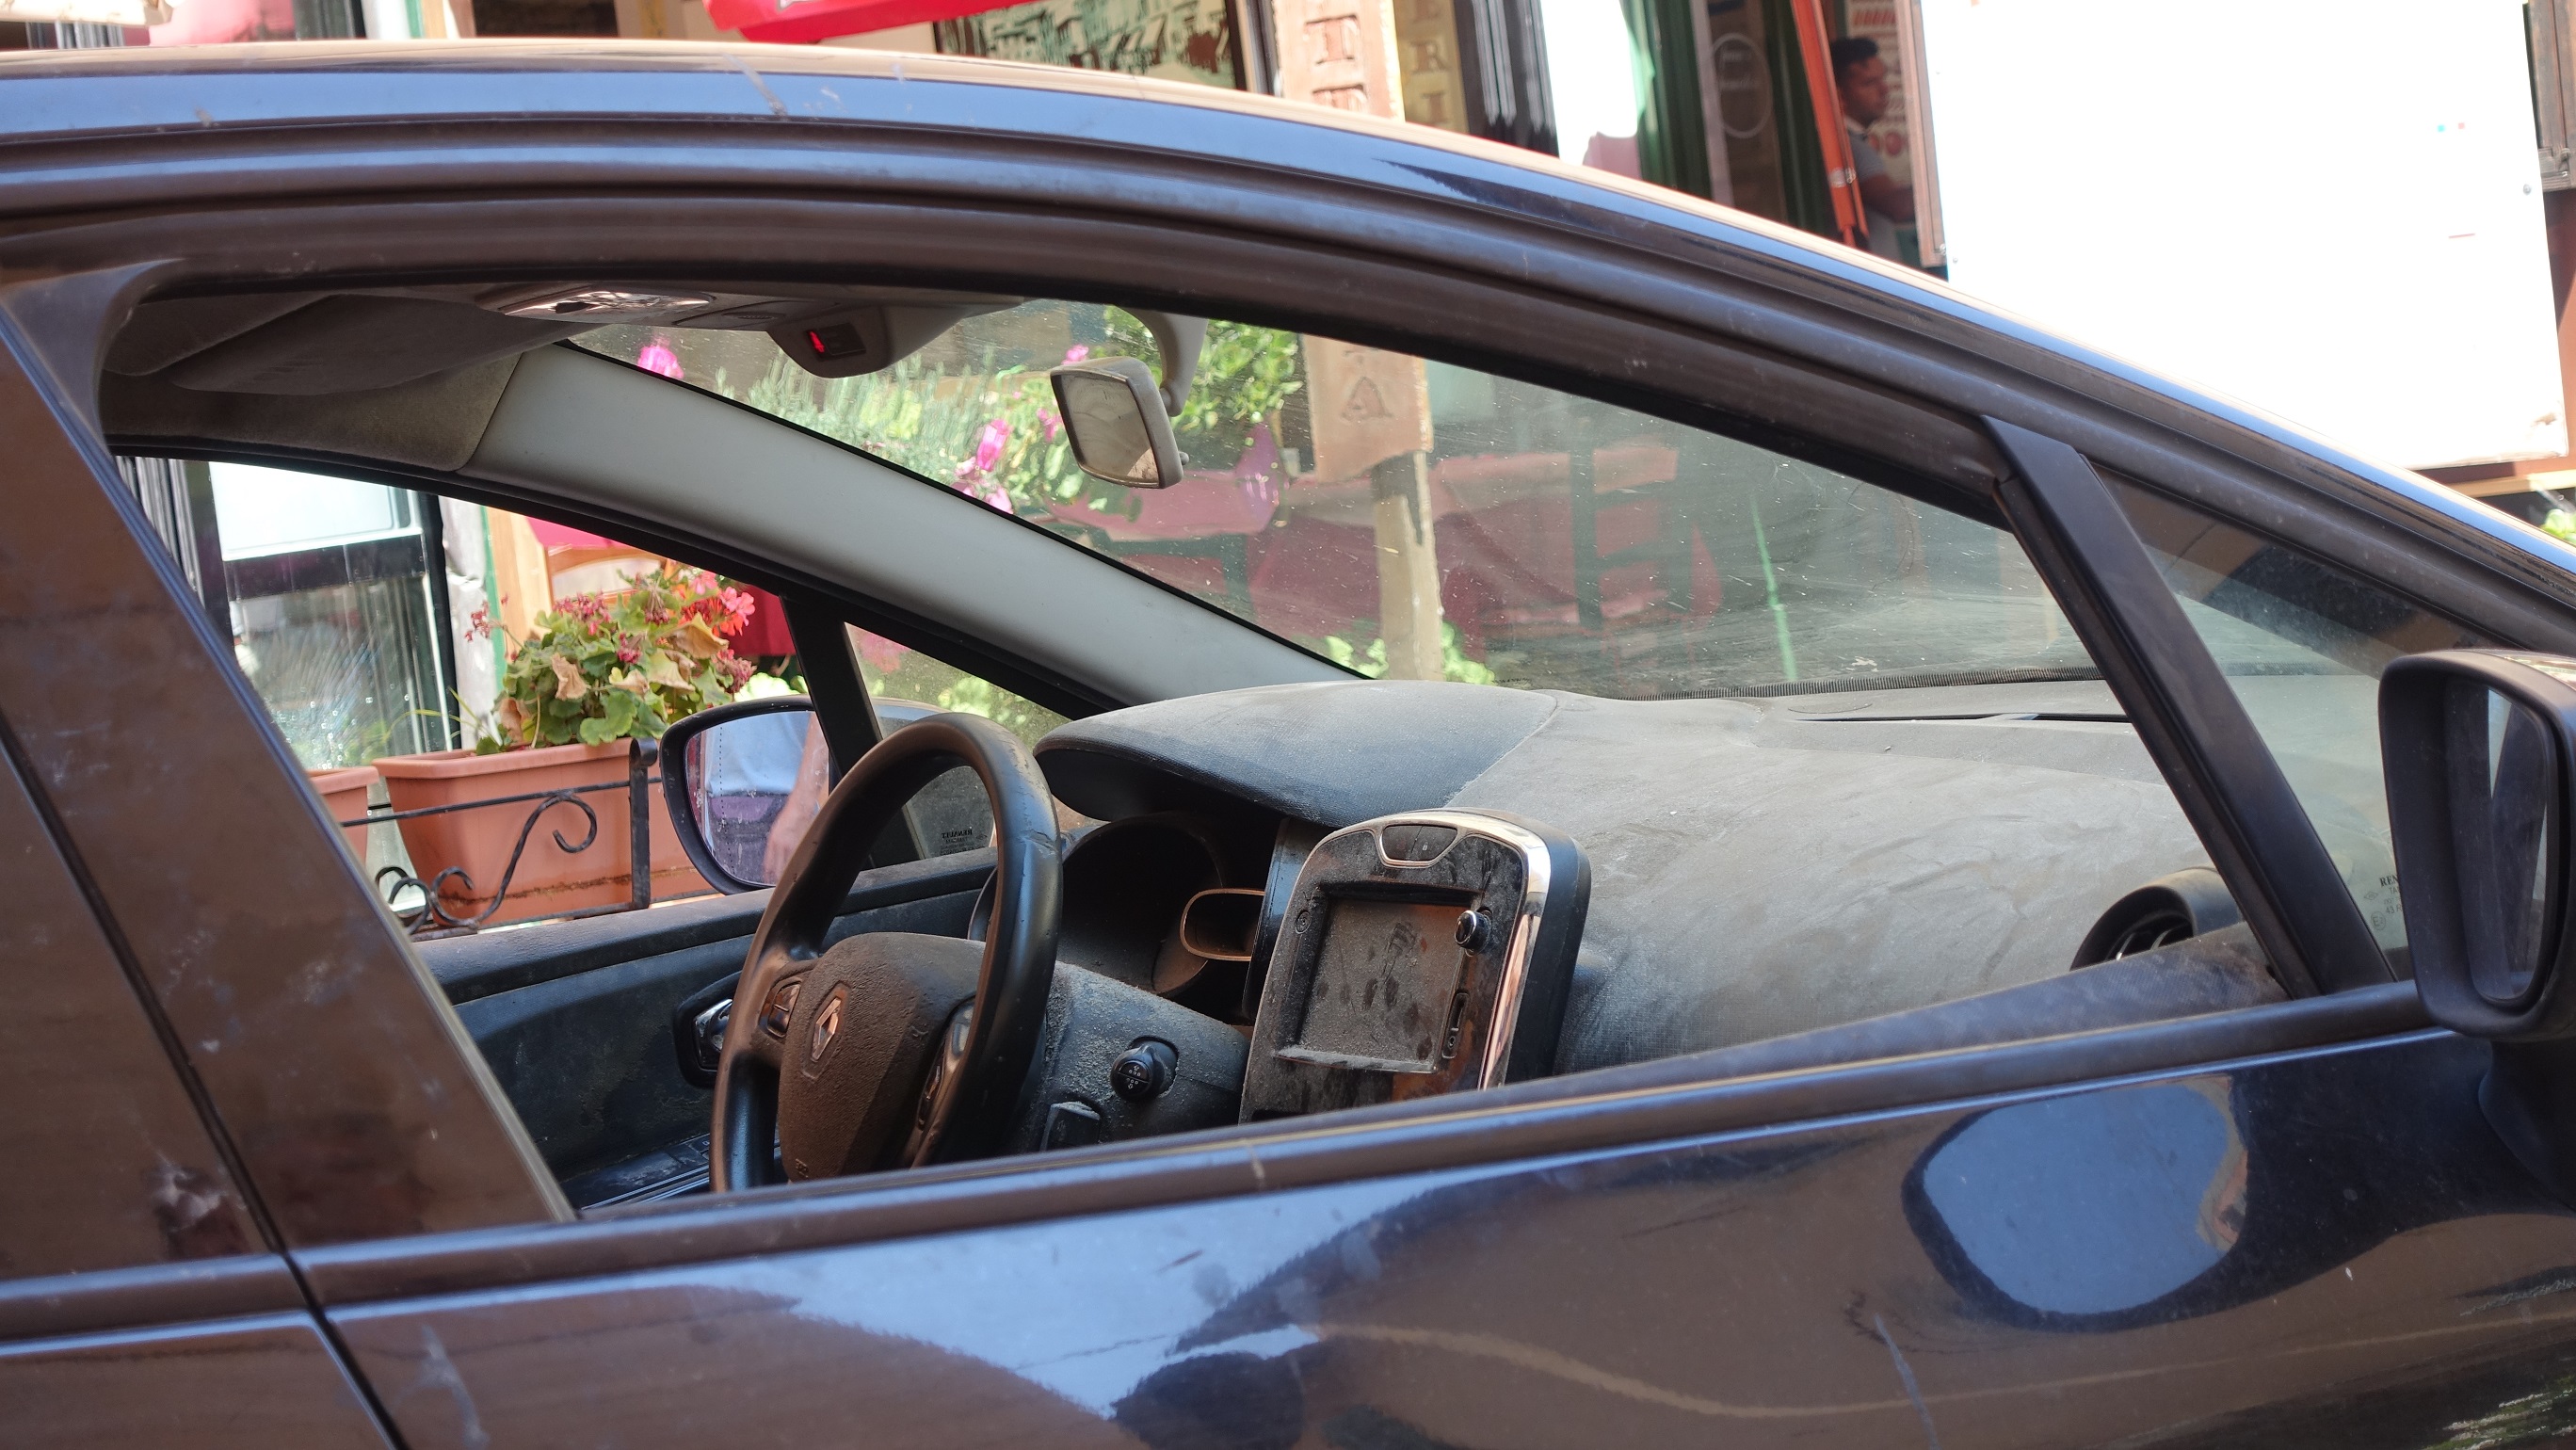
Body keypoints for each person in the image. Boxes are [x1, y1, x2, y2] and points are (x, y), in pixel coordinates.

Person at [1828, 36, 1913, 263]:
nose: (1884, 90)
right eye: (1869, 83)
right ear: (1840, 95)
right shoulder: (1850, 147)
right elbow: (1898, 206)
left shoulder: (1852, 142)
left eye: (1882, 79)